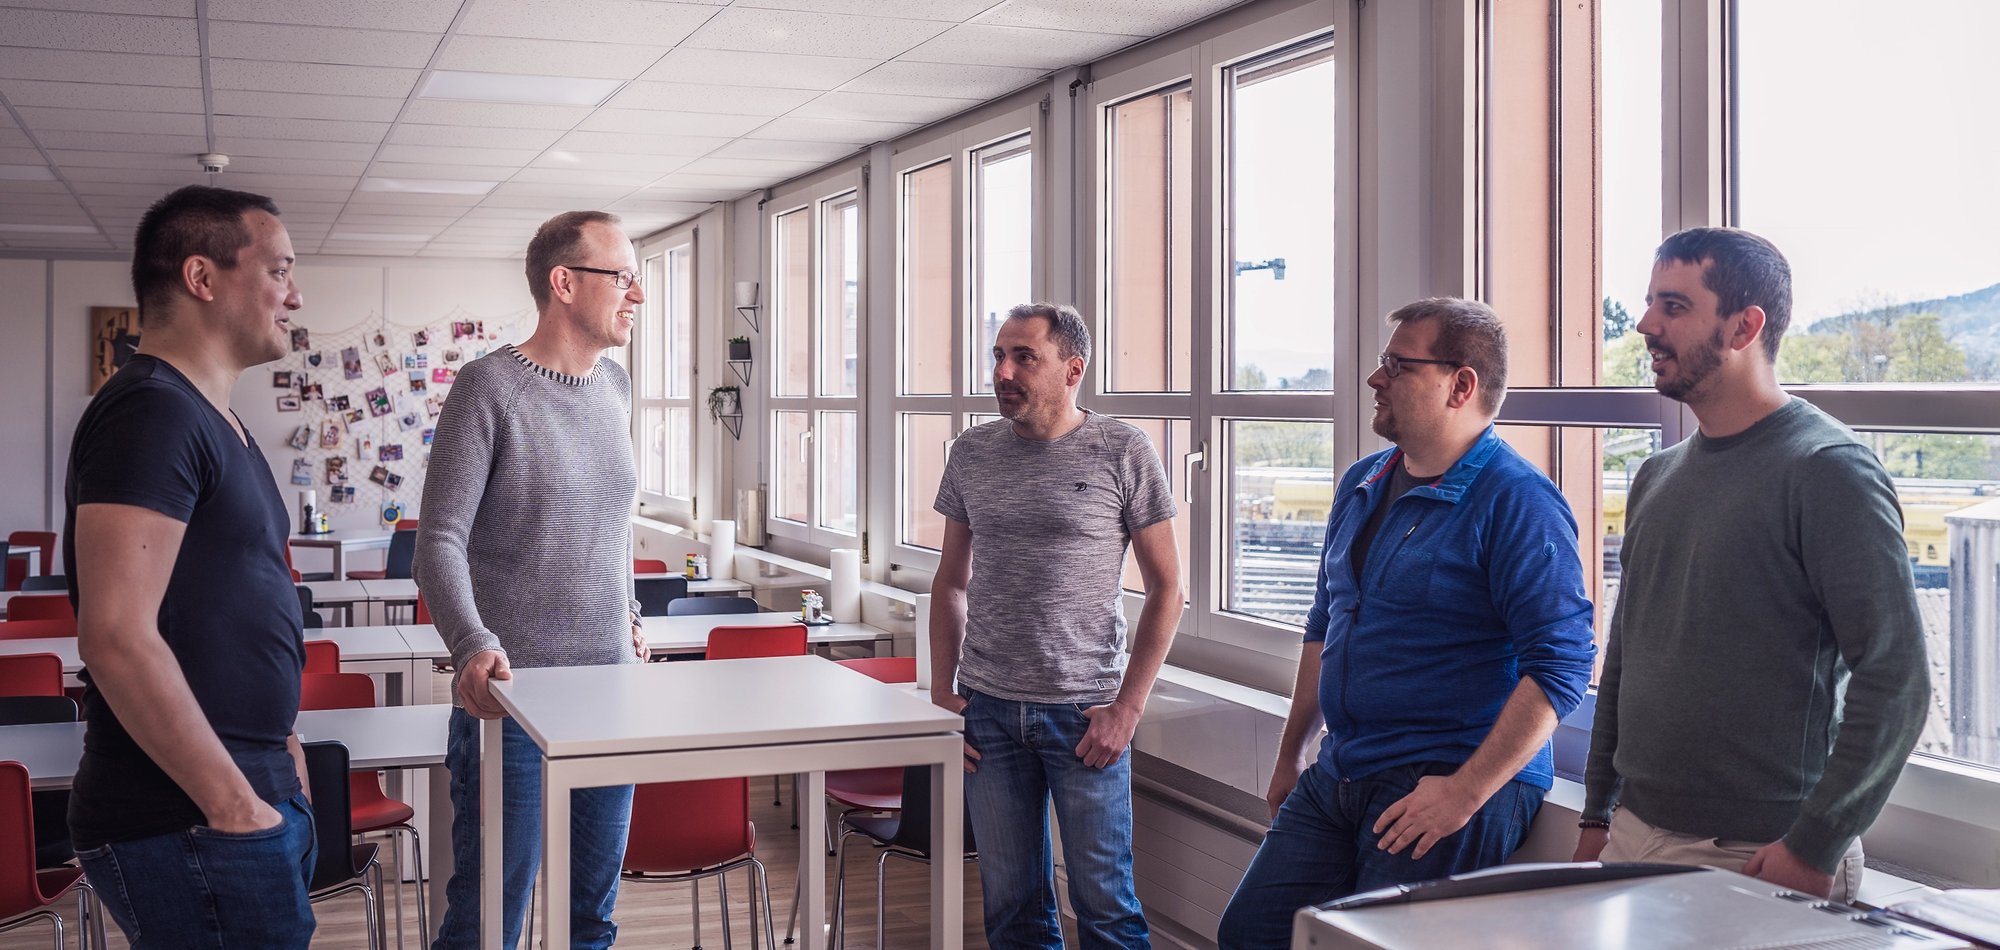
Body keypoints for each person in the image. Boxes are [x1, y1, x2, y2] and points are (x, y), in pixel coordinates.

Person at [1217, 298, 1596, 949]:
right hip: (1342, 770)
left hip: (1440, 776)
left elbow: (1562, 663)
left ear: (1462, 385)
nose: (1375, 378)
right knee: (1250, 934)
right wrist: (1291, 755)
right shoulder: (1364, 481)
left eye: (1398, 364)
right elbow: (1324, 624)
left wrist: (1464, 793)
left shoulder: (1516, 500)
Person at [1574, 228, 1929, 901]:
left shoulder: (1828, 472)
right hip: (1634, 835)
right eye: (1650, 302)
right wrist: (1598, 812)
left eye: (1674, 307)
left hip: (1760, 855)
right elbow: (1626, 655)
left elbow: (1897, 680)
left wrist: (1816, 844)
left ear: (1745, 327)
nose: (1647, 325)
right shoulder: (1655, 476)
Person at [64, 184, 316, 945]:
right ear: (202, 279)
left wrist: (284, 743)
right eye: (278, 270)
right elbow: (114, 636)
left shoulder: (218, 419)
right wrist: (233, 804)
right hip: (187, 814)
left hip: (242, 789)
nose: (295, 296)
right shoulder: (152, 409)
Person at [419, 210, 650, 948]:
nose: (637, 294)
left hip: (609, 697)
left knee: (593, 920)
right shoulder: (487, 387)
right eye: (622, 277)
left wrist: (630, 618)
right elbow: (439, 542)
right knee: (492, 916)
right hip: (511, 705)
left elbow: (610, 530)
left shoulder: (616, 390)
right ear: (565, 284)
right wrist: (472, 644)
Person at [930, 302, 1184, 949]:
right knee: (1013, 910)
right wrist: (941, 692)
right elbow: (950, 581)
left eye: (1023, 357)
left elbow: (1167, 589)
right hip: (988, 712)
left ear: (1073, 369)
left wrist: (1128, 707)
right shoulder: (972, 452)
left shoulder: (1122, 449)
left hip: (1085, 714)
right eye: (998, 355)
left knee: (1105, 907)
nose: (1003, 370)